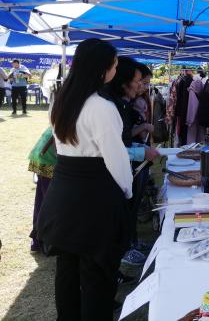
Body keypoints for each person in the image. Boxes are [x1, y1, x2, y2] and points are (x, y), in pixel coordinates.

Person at [38, 38, 132, 320]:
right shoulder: (101, 107)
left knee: (67, 270)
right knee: (95, 275)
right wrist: (126, 191)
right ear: (102, 68)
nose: (116, 70)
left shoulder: (61, 101)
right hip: (93, 196)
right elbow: (116, 159)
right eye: (114, 65)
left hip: (63, 192)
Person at [104, 56, 159, 267]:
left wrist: (142, 149)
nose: (140, 86)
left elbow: (122, 142)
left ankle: (129, 245)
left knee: (131, 208)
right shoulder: (109, 106)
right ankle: (125, 249)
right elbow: (113, 148)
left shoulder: (119, 104)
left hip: (126, 168)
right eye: (138, 81)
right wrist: (141, 152)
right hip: (111, 176)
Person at [28, 126, 57, 253]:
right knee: (49, 203)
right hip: (48, 159)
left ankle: (37, 240)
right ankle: (42, 240)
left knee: (42, 200)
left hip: (43, 157)